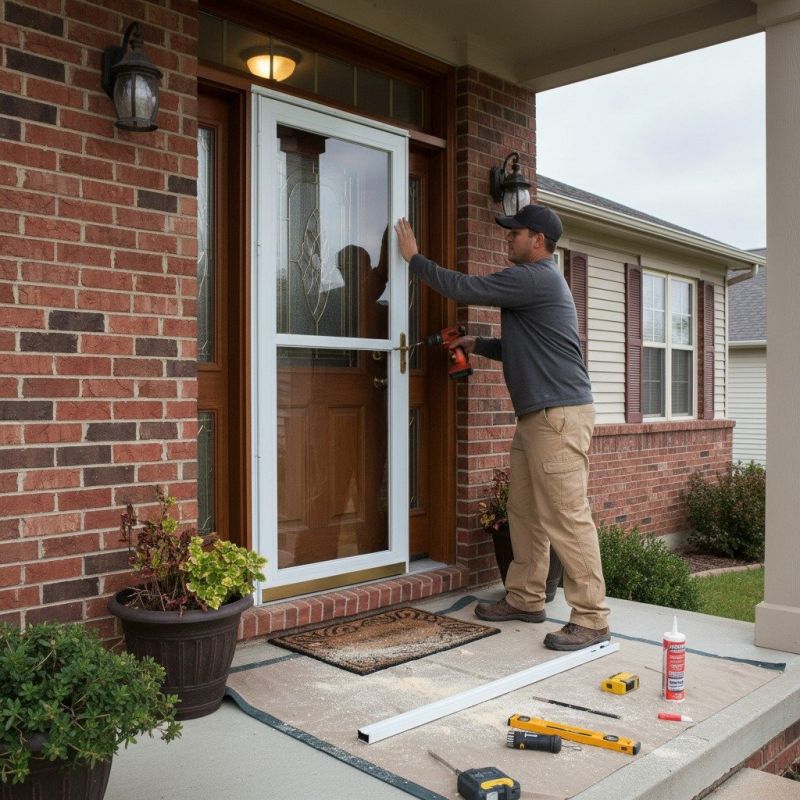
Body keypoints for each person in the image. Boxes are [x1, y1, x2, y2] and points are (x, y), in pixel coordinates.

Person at [394, 206, 610, 651]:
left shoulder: (535, 277)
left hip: (558, 417)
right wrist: (482, 345)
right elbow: (529, 346)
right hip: (540, 417)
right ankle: (526, 597)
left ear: (538, 239)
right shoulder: (536, 284)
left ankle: (592, 618)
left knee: (568, 518)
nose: (507, 238)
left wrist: (414, 259)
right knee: (525, 513)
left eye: (515, 232)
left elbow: (465, 287)